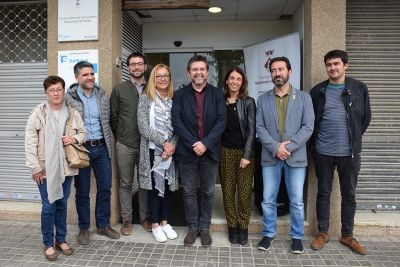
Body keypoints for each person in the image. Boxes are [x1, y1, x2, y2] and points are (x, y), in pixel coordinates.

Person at [309, 50, 371, 255]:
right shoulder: (317, 91)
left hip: (349, 153)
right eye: (328, 64)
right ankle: (323, 233)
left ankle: (347, 235)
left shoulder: (359, 88)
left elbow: (365, 119)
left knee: (349, 195)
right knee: (323, 193)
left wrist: (351, 139)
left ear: (346, 65)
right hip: (323, 151)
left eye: (336, 63)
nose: (332, 68)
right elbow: (313, 120)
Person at [25, 76, 87, 261]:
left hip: (66, 167)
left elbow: (83, 134)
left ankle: (61, 239)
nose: (56, 93)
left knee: (61, 204)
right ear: (46, 93)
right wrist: (35, 168)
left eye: (59, 89)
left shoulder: (72, 113)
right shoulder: (38, 114)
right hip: (45, 169)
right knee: (48, 206)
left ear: (63, 91)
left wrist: (74, 139)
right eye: (52, 90)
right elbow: (30, 143)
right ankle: (47, 242)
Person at [256, 56, 314, 254]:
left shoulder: (304, 98)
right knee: (267, 199)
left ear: (290, 72)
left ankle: (297, 237)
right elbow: (259, 127)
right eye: (273, 70)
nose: (277, 73)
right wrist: (275, 148)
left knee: (296, 200)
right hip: (270, 157)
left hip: (296, 157)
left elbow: (308, 127)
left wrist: (288, 147)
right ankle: (268, 233)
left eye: (281, 69)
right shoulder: (263, 99)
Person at [171, 55, 227, 247]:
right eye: (195, 69)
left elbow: (221, 122)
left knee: (208, 192)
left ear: (207, 72)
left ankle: (205, 228)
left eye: (202, 69)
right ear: (188, 73)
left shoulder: (217, 94)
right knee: (188, 192)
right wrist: (194, 143)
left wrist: (205, 144)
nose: (198, 72)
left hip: (209, 153)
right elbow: (177, 122)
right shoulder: (179, 95)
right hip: (187, 153)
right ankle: (192, 228)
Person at [64, 61, 120, 245]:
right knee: (82, 191)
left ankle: (103, 224)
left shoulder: (102, 95)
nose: (90, 77)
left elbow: (109, 120)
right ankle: (84, 228)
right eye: (85, 74)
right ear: (77, 77)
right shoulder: (69, 98)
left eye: (91, 74)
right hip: (81, 149)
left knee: (105, 188)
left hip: (102, 148)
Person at [110, 52, 151, 235]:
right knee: (126, 183)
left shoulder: (152, 86)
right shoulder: (119, 89)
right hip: (125, 144)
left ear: (145, 66)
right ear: (127, 68)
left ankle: (144, 217)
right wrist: (122, 134)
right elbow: (114, 117)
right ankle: (127, 219)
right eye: (133, 64)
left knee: (144, 182)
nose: (136, 67)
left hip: (147, 144)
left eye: (139, 64)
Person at [137, 64, 179, 242]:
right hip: (153, 151)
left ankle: (165, 222)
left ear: (170, 78)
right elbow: (143, 127)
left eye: (166, 75)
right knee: (154, 188)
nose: (163, 79)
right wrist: (164, 144)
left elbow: (179, 125)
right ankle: (154, 224)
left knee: (168, 187)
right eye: (159, 76)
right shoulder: (146, 99)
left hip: (170, 152)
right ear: (153, 78)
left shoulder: (174, 99)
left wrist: (172, 146)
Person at [218, 67, 256, 245]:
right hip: (225, 152)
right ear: (226, 81)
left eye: (238, 79)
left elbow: (251, 131)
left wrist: (247, 155)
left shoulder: (248, 102)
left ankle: (243, 226)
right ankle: (232, 226)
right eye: (231, 78)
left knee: (244, 193)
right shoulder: (220, 101)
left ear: (242, 82)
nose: (234, 81)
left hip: (244, 154)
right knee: (227, 192)